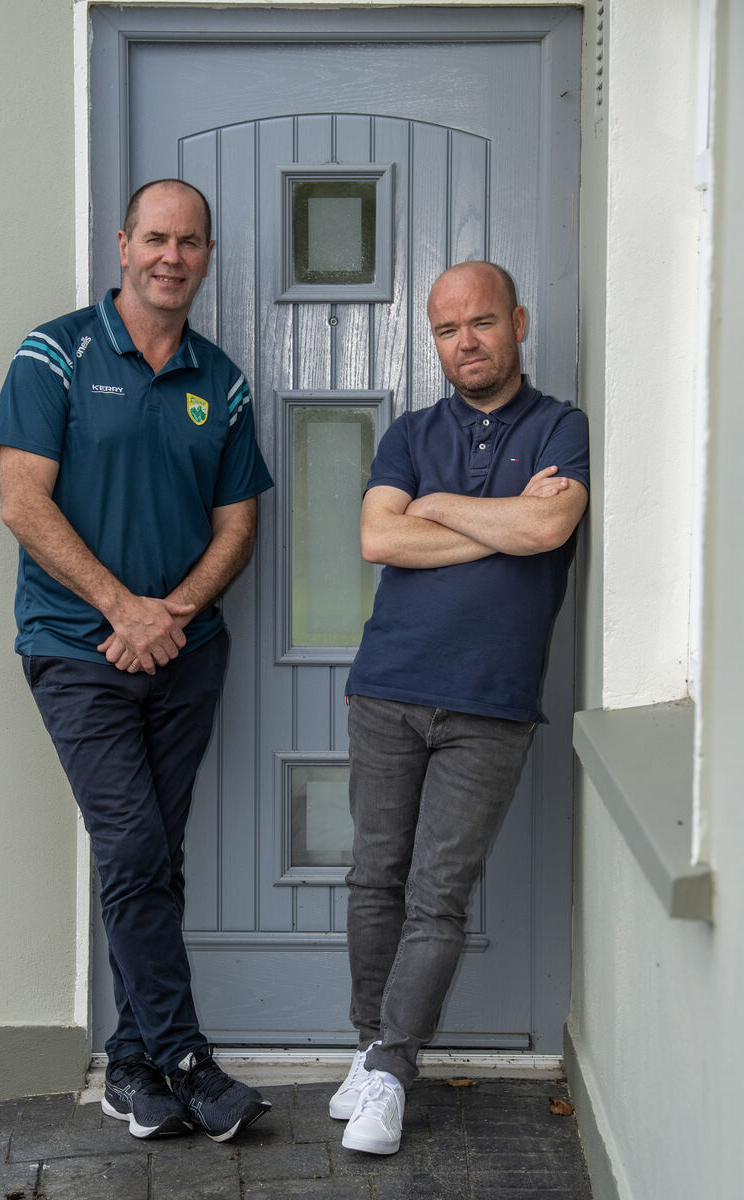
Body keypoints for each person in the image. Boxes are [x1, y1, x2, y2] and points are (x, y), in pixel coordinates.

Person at [0, 179, 274, 1143]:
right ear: (123, 245)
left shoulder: (219, 381)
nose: (172, 257)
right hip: (75, 649)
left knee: (151, 853)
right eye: (156, 238)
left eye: (191, 242)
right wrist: (122, 609)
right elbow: (23, 502)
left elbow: (239, 523)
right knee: (138, 847)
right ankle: (186, 1056)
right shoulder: (53, 354)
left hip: (185, 654)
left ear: (207, 255)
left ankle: (133, 1067)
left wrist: (175, 612)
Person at [330, 261, 589, 1155]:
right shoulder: (409, 431)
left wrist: (437, 510)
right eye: (446, 331)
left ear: (517, 320)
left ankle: (393, 1072)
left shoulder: (562, 426)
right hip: (388, 688)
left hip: (491, 703)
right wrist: (493, 517)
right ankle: (370, 1054)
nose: (465, 343)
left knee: (437, 899)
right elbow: (376, 536)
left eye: (480, 323)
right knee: (374, 881)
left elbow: (547, 530)